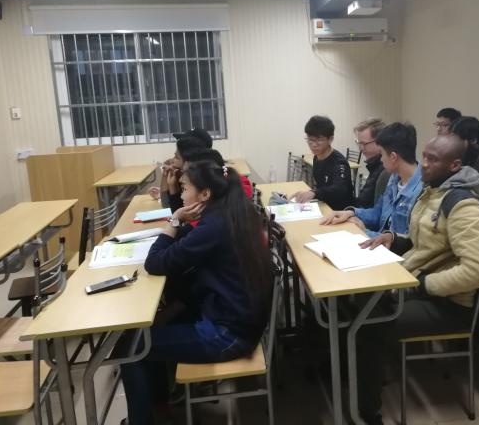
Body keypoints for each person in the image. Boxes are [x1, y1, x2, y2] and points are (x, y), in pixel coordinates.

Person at [120, 161, 273, 425]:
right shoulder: (230, 214)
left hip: (228, 333)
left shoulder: (213, 226)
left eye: (184, 188)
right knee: (146, 331)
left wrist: (175, 219)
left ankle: (147, 417)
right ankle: (159, 408)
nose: (181, 196)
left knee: (131, 347)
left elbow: (155, 263)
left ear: (205, 194)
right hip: (235, 319)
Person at [355, 134, 479, 424]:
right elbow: (425, 242)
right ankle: (353, 375)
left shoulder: (462, 204)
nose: (425, 164)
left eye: (433, 160)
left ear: (454, 165)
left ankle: (367, 412)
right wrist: (393, 238)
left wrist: (422, 286)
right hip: (417, 284)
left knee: (367, 324)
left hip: (447, 304)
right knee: (357, 300)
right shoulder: (432, 192)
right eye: (425, 156)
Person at [320, 122, 422, 237]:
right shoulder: (394, 178)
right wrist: (351, 213)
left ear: (393, 157)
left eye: (382, 154)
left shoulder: (422, 192)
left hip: (386, 247)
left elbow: (406, 242)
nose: (381, 160)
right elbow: (378, 212)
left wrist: (365, 232)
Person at [291, 115, 354, 210]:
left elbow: (340, 189)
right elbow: (322, 188)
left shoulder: (339, 162)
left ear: (330, 139)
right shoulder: (316, 158)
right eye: (310, 139)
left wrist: (314, 193)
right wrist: (310, 193)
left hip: (340, 211)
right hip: (324, 206)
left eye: (319, 140)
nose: (313, 144)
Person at [353, 118, 389, 208]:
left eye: (364, 144)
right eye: (359, 143)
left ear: (380, 142)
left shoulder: (385, 169)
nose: (360, 148)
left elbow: (369, 206)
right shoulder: (374, 165)